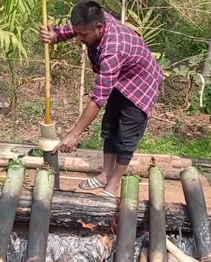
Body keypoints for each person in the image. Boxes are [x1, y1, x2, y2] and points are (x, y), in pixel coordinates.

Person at [39, 0, 164, 197]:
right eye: (77, 33)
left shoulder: (114, 49)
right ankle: (105, 174)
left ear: (99, 27)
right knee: (110, 128)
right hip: (121, 80)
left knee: (126, 137)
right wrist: (56, 35)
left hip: (140, 86)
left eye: (83, 35)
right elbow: (77, 29)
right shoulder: (94, 21)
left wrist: (74, 133)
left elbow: (98, 98)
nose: (79, 37)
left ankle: (113, 184)